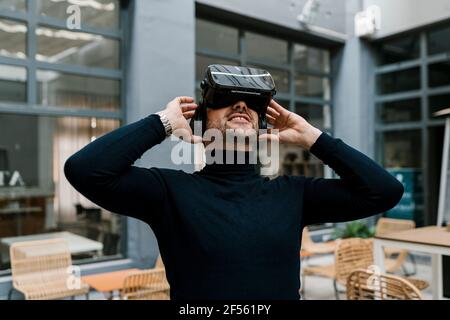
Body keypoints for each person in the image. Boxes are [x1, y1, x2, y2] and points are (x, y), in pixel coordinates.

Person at [64, 93, 404, 300]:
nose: (240, 104)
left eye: (251, 104)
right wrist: (164, 122)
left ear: (261, 127)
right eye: (225, 100)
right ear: (202, 124)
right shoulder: (168, 192)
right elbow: (84, 170)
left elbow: (384, 191)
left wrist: (310, 137)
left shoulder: (294, 194)